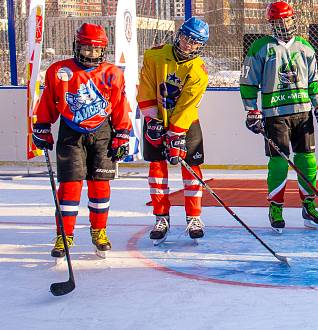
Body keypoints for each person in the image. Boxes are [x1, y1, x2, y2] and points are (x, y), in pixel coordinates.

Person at [32, 23, 132, 258]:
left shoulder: (112, 73)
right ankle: (64, 234)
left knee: (100, 185)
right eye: (86, 48)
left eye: (96, 50)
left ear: (103, 51)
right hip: (71, 132)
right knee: (70, 186)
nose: (91, 54)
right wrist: (42, 126)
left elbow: (120, 105)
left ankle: (99, 231)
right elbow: (48, 99)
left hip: (102, 133)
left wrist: (122, 134)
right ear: (76, 46)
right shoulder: (59, 70)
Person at [240, 1, 318, 232]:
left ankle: (308, 207)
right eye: (277, 21)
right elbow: (248, 82)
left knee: (307, 161)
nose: (283, 24)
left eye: (286, 19)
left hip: (302, 114)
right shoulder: (260, 47)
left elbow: (313, 82)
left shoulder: (305, 47)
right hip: (274, 115)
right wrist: (251, 110)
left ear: (293, 19)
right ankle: (276, 208)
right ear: (271, 23)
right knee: (279, 163)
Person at [138, 17, 210, 243]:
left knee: (192, 170)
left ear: (201, 46)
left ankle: (194, 216)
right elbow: (146, 87)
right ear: (179, 35)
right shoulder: (155, 55)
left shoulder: (198, 71)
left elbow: (188, 105)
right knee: (157, 170)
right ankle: (161, 217)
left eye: (195, 42)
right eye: (186, 38)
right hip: (156, 119)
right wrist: (151, 120)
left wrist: (175, 133)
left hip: (186, 125)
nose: (189, 44)